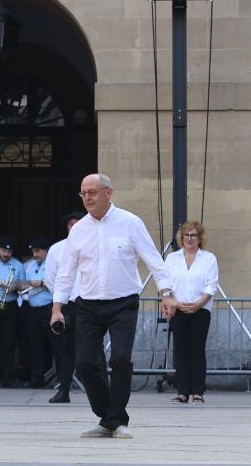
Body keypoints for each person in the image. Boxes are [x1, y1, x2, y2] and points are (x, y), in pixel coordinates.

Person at [51, 173, 175, 439]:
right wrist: (57, 308)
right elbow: (65, 273)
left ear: (108, 192)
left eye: (92, 192)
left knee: (120, 359)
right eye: (83, 193)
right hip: (87, 304)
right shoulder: (78, 230)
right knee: (85, 362)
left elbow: (154, 260)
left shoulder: (130, 223)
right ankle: (108, 416)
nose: (87, 198)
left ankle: (116, 418)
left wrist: (166, 293)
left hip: (123, 303)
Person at [165, 221, 220, 404]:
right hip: (178, 309)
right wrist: (174, 302)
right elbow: (166, 284)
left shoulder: (209, 258)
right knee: (181, 350)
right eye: (186, 235)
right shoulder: (172, 258)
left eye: (193, 235)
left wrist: (198, 304)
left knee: (197, 350)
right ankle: (182, 392)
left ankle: (197, 392)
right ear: (182, 237)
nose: (189, 238)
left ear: (200, 238)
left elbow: (211, 285)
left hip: (201, 309)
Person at [43, 211, 82, 403]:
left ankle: (102, 390)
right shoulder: (57, 249)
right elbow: (50, 278)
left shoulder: (94, 245)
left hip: (89, 302)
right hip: (67, 303)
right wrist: (61, 298)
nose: (74, 227)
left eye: (77, 223)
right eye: (70, 224)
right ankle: (64, 390)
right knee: (65, 348)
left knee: (94, 347)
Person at [21, 238, 54, 388]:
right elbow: (26, 283)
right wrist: (22, 286)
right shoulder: (30, 265)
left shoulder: (52, 265)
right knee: (36, 346)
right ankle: (36, 379)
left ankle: (61, 378)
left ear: (46, 251)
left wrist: (40, 283)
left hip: (49, 308)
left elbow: (58, 284)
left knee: (55, 344)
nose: (34, 254)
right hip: (33, 310)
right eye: (33, 251)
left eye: (37, 251)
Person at [0, 239, 26, 386]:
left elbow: (23, 286)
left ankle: (8, 377)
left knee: (9, 342)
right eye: (4, 251)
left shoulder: (18, 265)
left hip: (10, 305)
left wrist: (16, 286)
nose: (6, 254)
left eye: (9, 252)